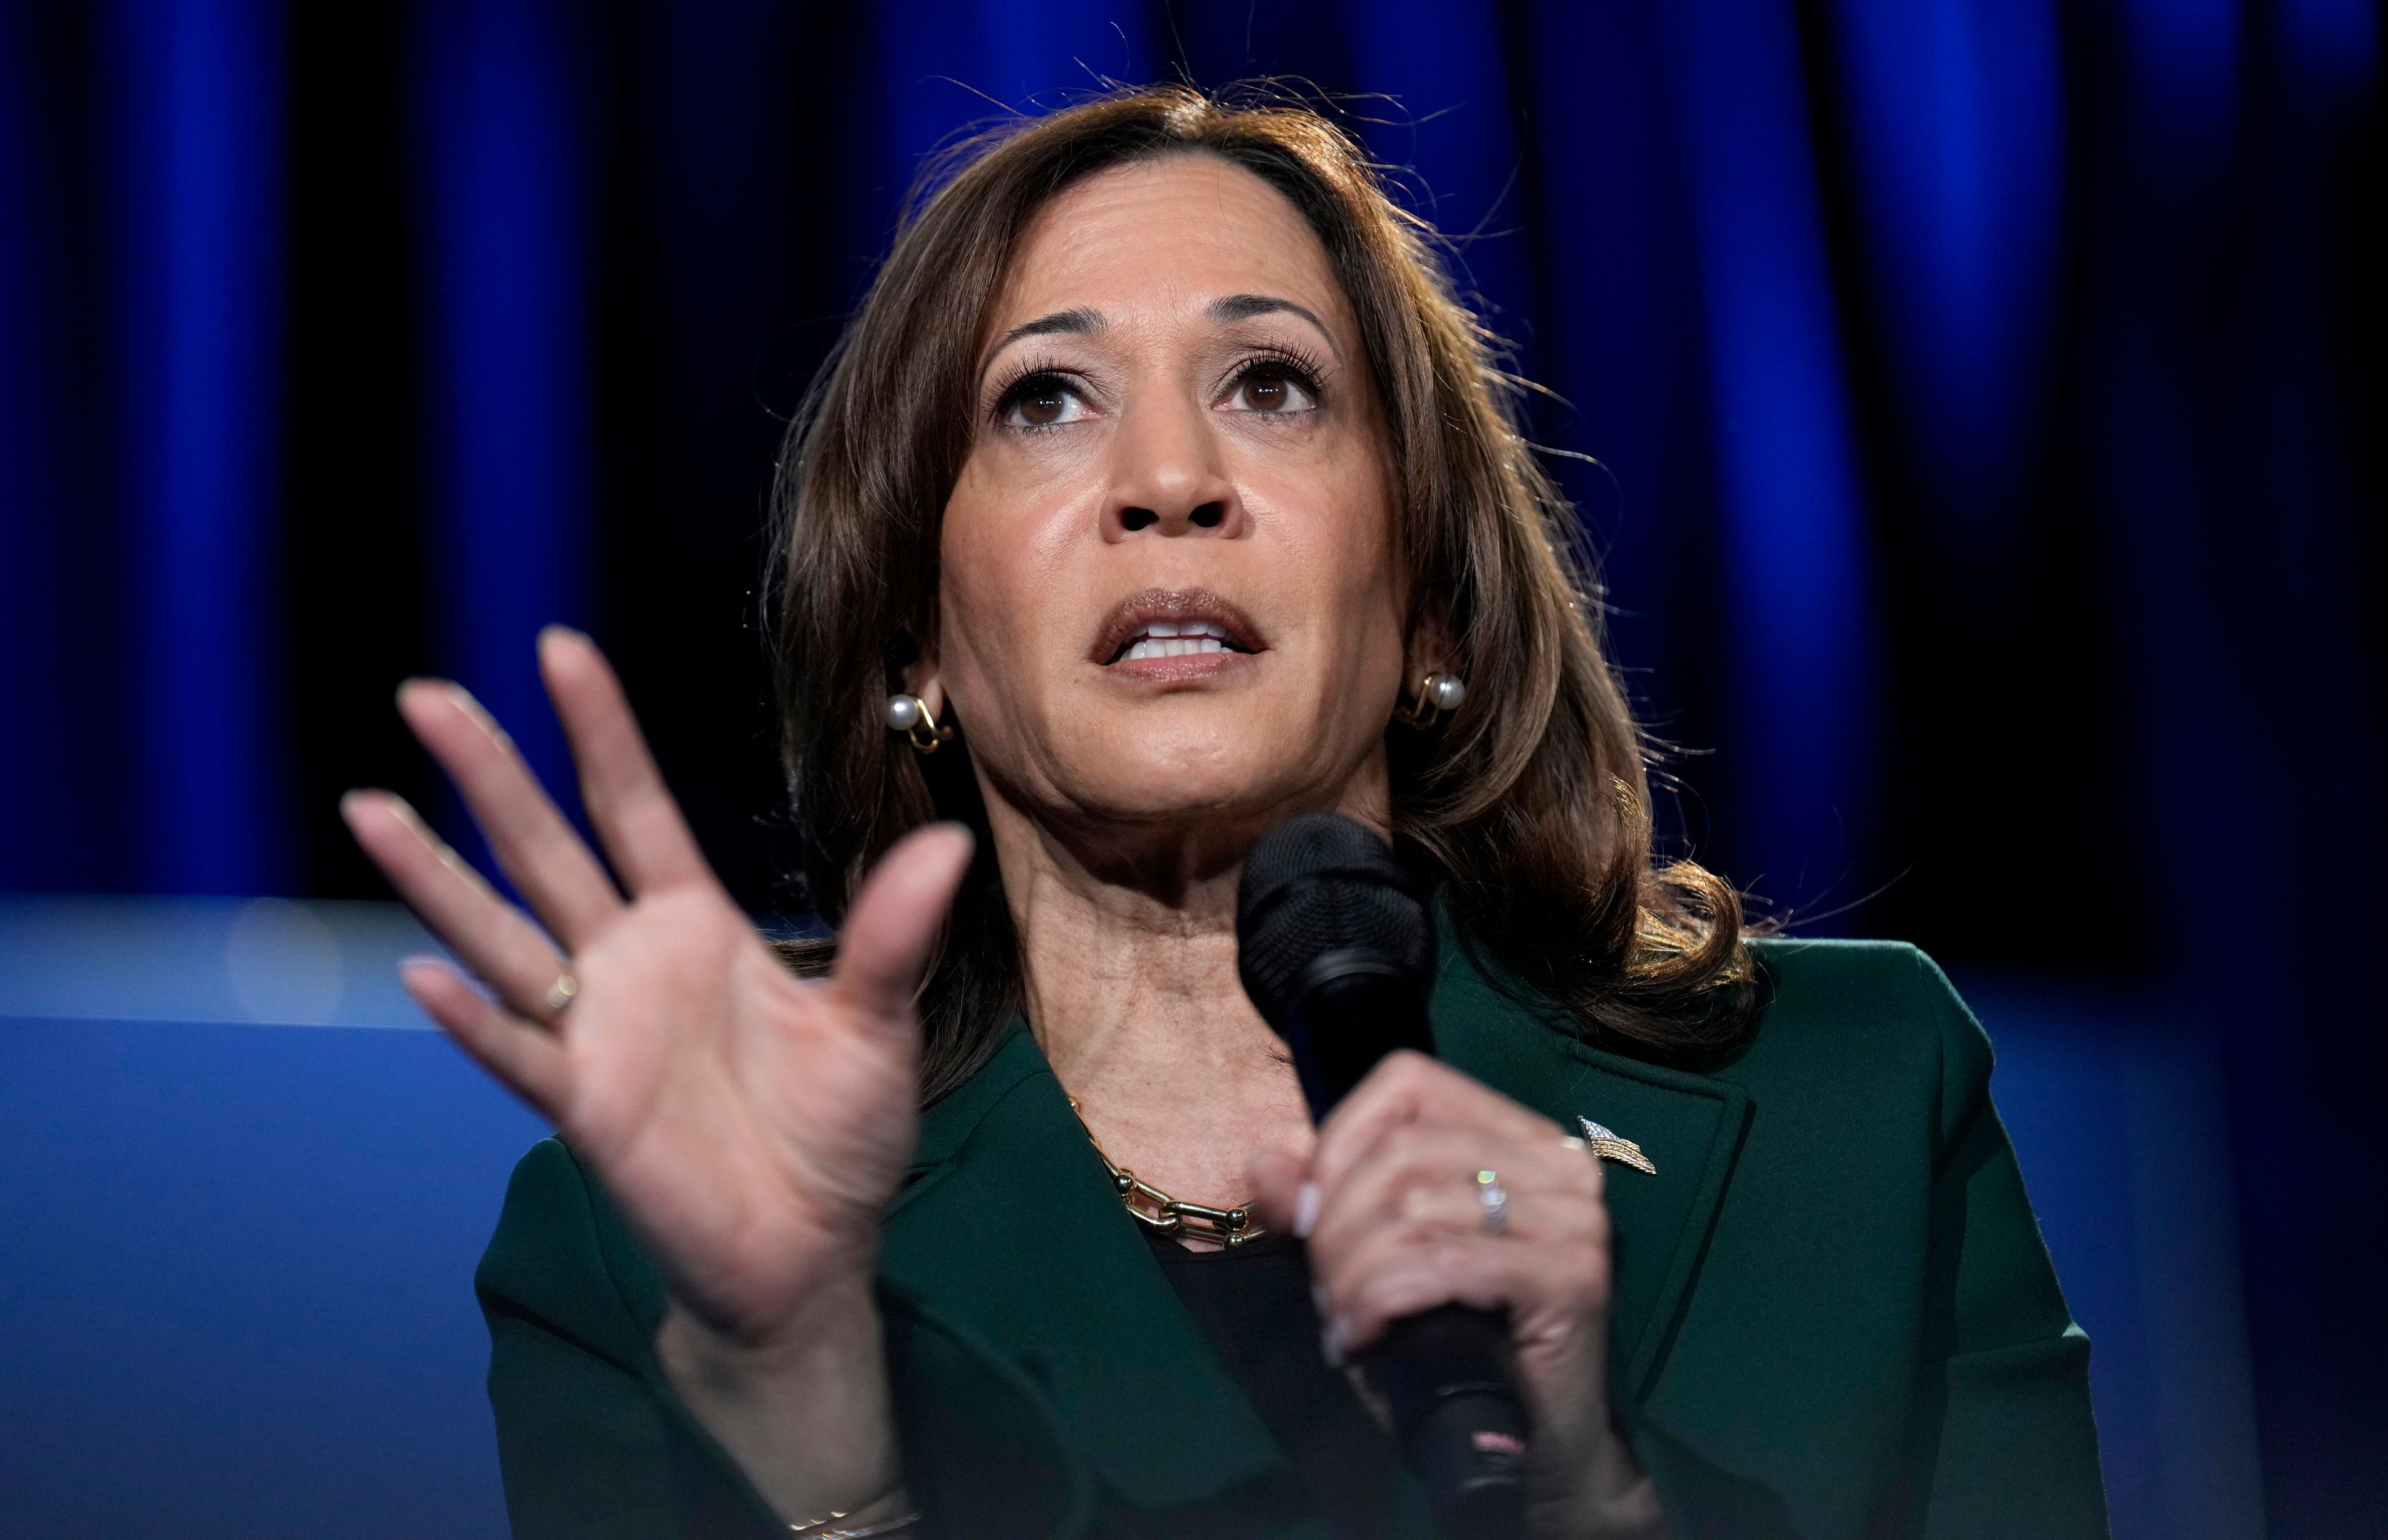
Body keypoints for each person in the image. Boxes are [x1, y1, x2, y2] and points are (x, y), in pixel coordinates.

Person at [341, 87, 2108, 1540]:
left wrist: (1591, 1498)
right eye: (1044, 400)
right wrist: (818, 1427)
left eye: (1272, 387)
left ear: (1422, 595)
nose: (1171, 483)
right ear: (915, 642)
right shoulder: (638, 1245)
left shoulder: (1856, 1110)